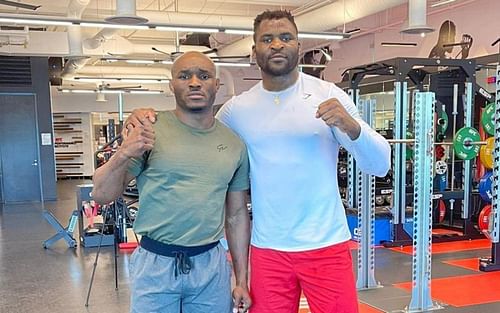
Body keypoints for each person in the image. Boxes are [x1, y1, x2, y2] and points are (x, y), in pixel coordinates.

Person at [126, 10, 390, 313]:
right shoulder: (237, 110)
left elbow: (379, 164)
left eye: (286, 37)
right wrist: (144, 116)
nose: (277, 44)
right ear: (255, 52)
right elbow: (194, 128)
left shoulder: (328, 96)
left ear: (299, 48)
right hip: (267, 250)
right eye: (267, 39)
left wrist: (352, 127)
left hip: (326, 244)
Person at [92, 51, 252, 313]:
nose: (194, 82)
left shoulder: (234, 144)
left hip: (210, 266)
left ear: (216, 85)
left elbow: (236, 216)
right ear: (172, 85)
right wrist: (123, 153)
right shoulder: (149, 129)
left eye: (203, 76)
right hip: (156, 263)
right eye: (184, 76)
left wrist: (242, 280)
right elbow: (101, 194)